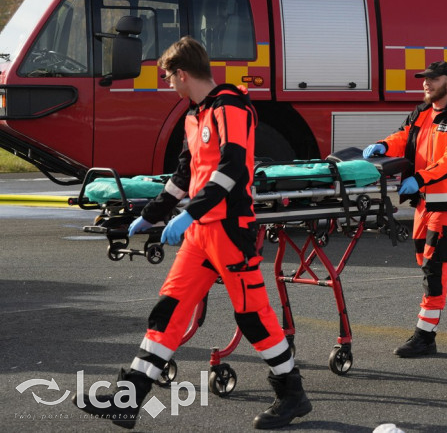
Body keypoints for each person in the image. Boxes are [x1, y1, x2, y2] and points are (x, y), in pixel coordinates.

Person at [78, 36, 310, 430]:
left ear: (182, 74)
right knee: (168, 309)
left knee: (253, 316)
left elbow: (235, 164)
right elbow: (184, 176)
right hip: (201, 233)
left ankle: (292, 394)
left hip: (229, 230)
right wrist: (152, 215)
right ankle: (129, 398)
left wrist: (191, 213)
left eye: (169, 77)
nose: (169, 84)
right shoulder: (194, 115)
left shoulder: (230, 106)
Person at [363, 61, 447, 357]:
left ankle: (425, 335)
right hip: (425, 201)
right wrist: (384, 145)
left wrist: (419, 179)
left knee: (433, 268)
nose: (426, 83)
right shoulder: (421, 111)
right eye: (424, 79)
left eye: (433, 79)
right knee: (428, 261)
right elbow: (403, 136)